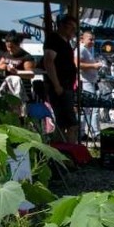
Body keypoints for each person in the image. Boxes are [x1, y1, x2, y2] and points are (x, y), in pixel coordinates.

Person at [43, 14, 78, 143]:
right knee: (69, 124)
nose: (73, 31)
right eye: (71, 27)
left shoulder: (66, 42)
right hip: (60, 87)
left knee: (66, 124)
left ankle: (65, 152)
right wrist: (57, 85)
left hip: (67, 86)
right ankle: (66, 154)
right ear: (62, 26)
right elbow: (48, 62)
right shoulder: (54, 39)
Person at [76, 29, 102, 142]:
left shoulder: (86, 50)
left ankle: (83, 132)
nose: (92, 42)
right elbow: (77, 64)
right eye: (90, 39)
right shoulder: (81, 49)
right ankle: (95, 133)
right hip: (86, 83)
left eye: (93, 40)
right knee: (91, 109)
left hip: (90, 82)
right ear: (82, 39)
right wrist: (94, 66)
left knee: (88, 109)